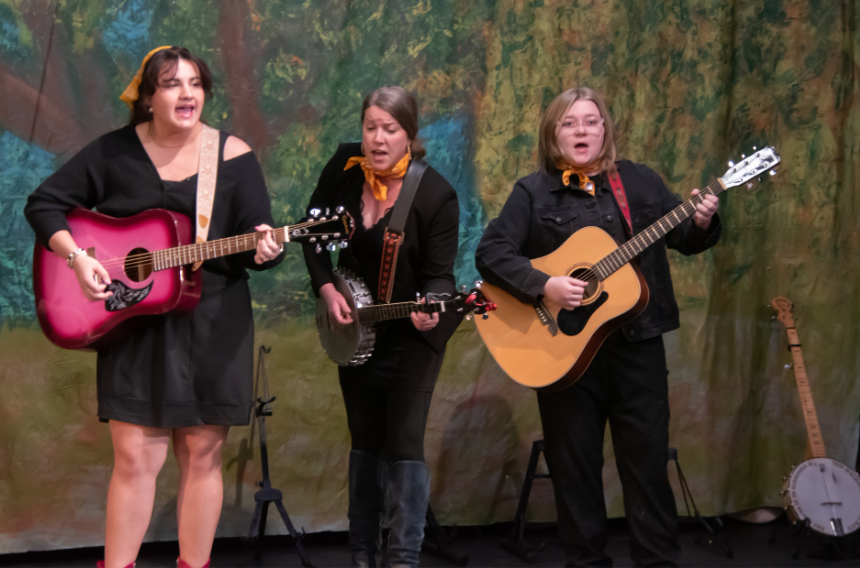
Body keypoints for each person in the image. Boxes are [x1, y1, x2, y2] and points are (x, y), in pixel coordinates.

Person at [24, 46, 285, 568]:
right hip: (135, 323)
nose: (187, 94)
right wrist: (76, 257)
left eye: (195, 83)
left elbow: (258, 244)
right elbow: (44, 204)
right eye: (171, 84)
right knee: (136, 461)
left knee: (202, 456)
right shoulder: (114, 153)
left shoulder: (232, 156)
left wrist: (266, 247)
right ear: (147, 98)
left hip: (215, 322)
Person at [475, 87, 721, 567]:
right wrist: (544, 285)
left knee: (647, 469)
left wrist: (703, 219)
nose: (581, 130)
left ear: (605, 129)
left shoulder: (640, 182)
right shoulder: (532, 191)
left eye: (590, 121)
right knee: (575, 473)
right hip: (565, 357)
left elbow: (685, 239)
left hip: (638, 346)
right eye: (569, 123)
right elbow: (491, 254)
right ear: (553, 134)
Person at [302, 86, 459, 567]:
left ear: (409, 135)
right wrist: (326, 288)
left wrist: (432, 303)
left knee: (404, 443)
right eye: (370, 126)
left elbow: (440, 274)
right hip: (355, 329)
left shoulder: (435, 194)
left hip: (412, 337)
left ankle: (402, 560)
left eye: (389, 129)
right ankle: (361, 555)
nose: (377, 138)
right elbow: (311, 232)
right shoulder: (345, 169)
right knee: (365, 440)